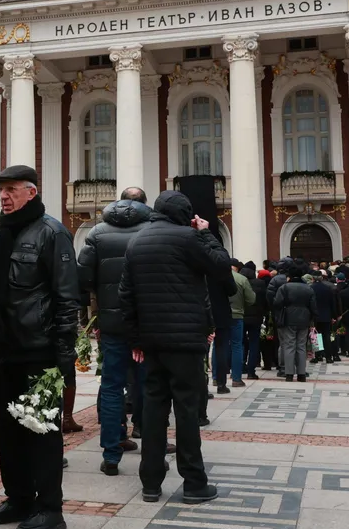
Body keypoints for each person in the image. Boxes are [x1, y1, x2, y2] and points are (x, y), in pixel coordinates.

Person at [0, 165, 79, 529]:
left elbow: (68, 298)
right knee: (8, 432)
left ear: (31, 193)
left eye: (11, 190)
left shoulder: (52, 233)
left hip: (40, 353)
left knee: (41, 432)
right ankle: (18, 497)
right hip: (5, 353)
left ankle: (50, 509)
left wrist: (64, 356)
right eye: (1, 191)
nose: (3, 197)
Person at [119, 190, 234, 505]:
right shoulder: (189, 238)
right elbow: (222, 265)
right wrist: (206, 232)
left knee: (153, 411)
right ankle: (194, 483)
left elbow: (126, 296)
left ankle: (151, 484)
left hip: (152, 342)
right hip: (185, 343)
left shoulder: (137, 242)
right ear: (185, 213)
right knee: (186, 411)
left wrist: (135, 340)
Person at [77, 186, 151, 475]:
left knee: (111, 386)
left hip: (110, 323)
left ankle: (111, 452)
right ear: (145, 204)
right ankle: (150, 445)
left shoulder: (97, 233)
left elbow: (83, 277)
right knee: (149, 384)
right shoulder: (153, 230)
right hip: (147, 323)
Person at [272, 263, 318, 382]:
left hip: (288, 318)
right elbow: (313, 306)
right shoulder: (308, 288)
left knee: (289, 345)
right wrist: (311, 318)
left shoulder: (284, 288)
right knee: (301, 346)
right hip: (304, 319)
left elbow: (277, 303)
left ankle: (289, 373)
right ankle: (302, 373)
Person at [220, 261, 255, 389]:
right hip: (237, 316)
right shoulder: (242, 279)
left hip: (220, 316)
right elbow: (251, 299)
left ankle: (217, 378)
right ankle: (236, 378)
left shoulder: (216, 277)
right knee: (236, 346)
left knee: (220, 346)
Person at [241, 262, 267, 380]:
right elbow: (265, 300)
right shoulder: (260, 283)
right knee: (254, 343)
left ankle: (239, 367)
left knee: (238, 343)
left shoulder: (239, 282)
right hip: (256, 317)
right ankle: (251, 371)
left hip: (240, 316)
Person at [312, 272, 338, 364]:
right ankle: (328, 357)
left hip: (315, 316)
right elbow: (332, 303)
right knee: (326, 336)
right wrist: (334, 316)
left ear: (313, 278)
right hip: (326, 315)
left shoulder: (311, 288)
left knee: (316, 336)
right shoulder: (328, 288)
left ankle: (317, 355)